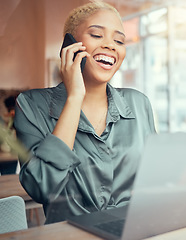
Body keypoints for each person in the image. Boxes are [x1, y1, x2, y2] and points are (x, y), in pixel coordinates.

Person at [14, 2, 156, 224]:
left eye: (119, 40)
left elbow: (153, 181)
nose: (110, 45)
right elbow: (41, 187)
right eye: (97, 35)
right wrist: (74, 97)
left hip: (135, 230)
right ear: (70, 45)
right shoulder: (32, 105)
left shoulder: (139, 103)